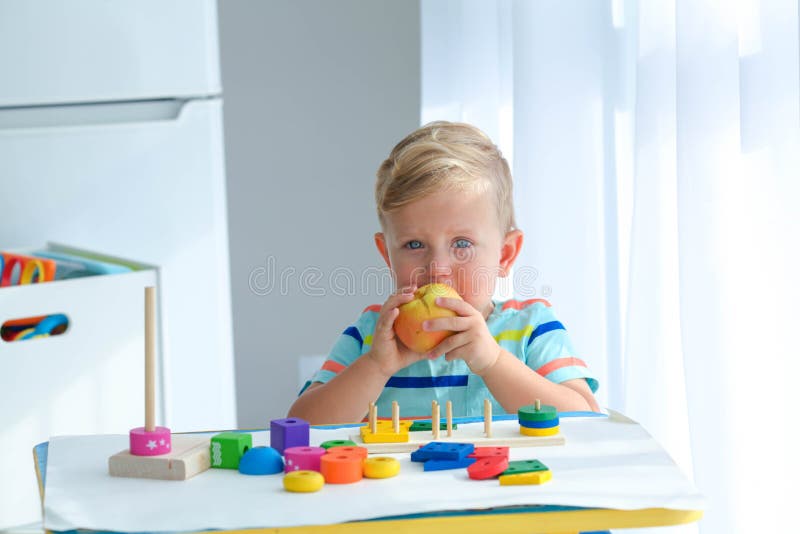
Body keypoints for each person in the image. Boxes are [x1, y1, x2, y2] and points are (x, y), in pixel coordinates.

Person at [288, 121, 599, 424]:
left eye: (461, 243)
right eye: (413, 244)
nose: (437, 270)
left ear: (504, 255)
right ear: (387, 255)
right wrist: (376, 366)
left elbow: (585, 418)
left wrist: (493, 361)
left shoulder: (532, 328)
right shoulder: (370, 336)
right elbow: (302, 427)